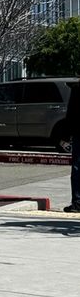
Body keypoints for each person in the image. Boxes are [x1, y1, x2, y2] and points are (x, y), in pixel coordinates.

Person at [64, 82, 80, 213]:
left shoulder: (77, 89)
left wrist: (66, 134)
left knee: (77, 168)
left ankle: (78, 202)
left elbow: (71, 113)